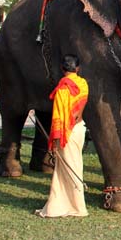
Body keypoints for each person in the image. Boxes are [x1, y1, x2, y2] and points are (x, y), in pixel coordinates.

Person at [35, 54, 89, 218]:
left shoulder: (63, 90)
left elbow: (58, 117)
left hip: (67, 133)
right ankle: (62, 203)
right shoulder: (83, 84)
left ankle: (75, 207)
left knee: (67, 168)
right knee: (73, 165)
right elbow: (82, 104)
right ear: (78, 69)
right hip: (80, 128)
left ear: (62, 69)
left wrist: (56, 141)